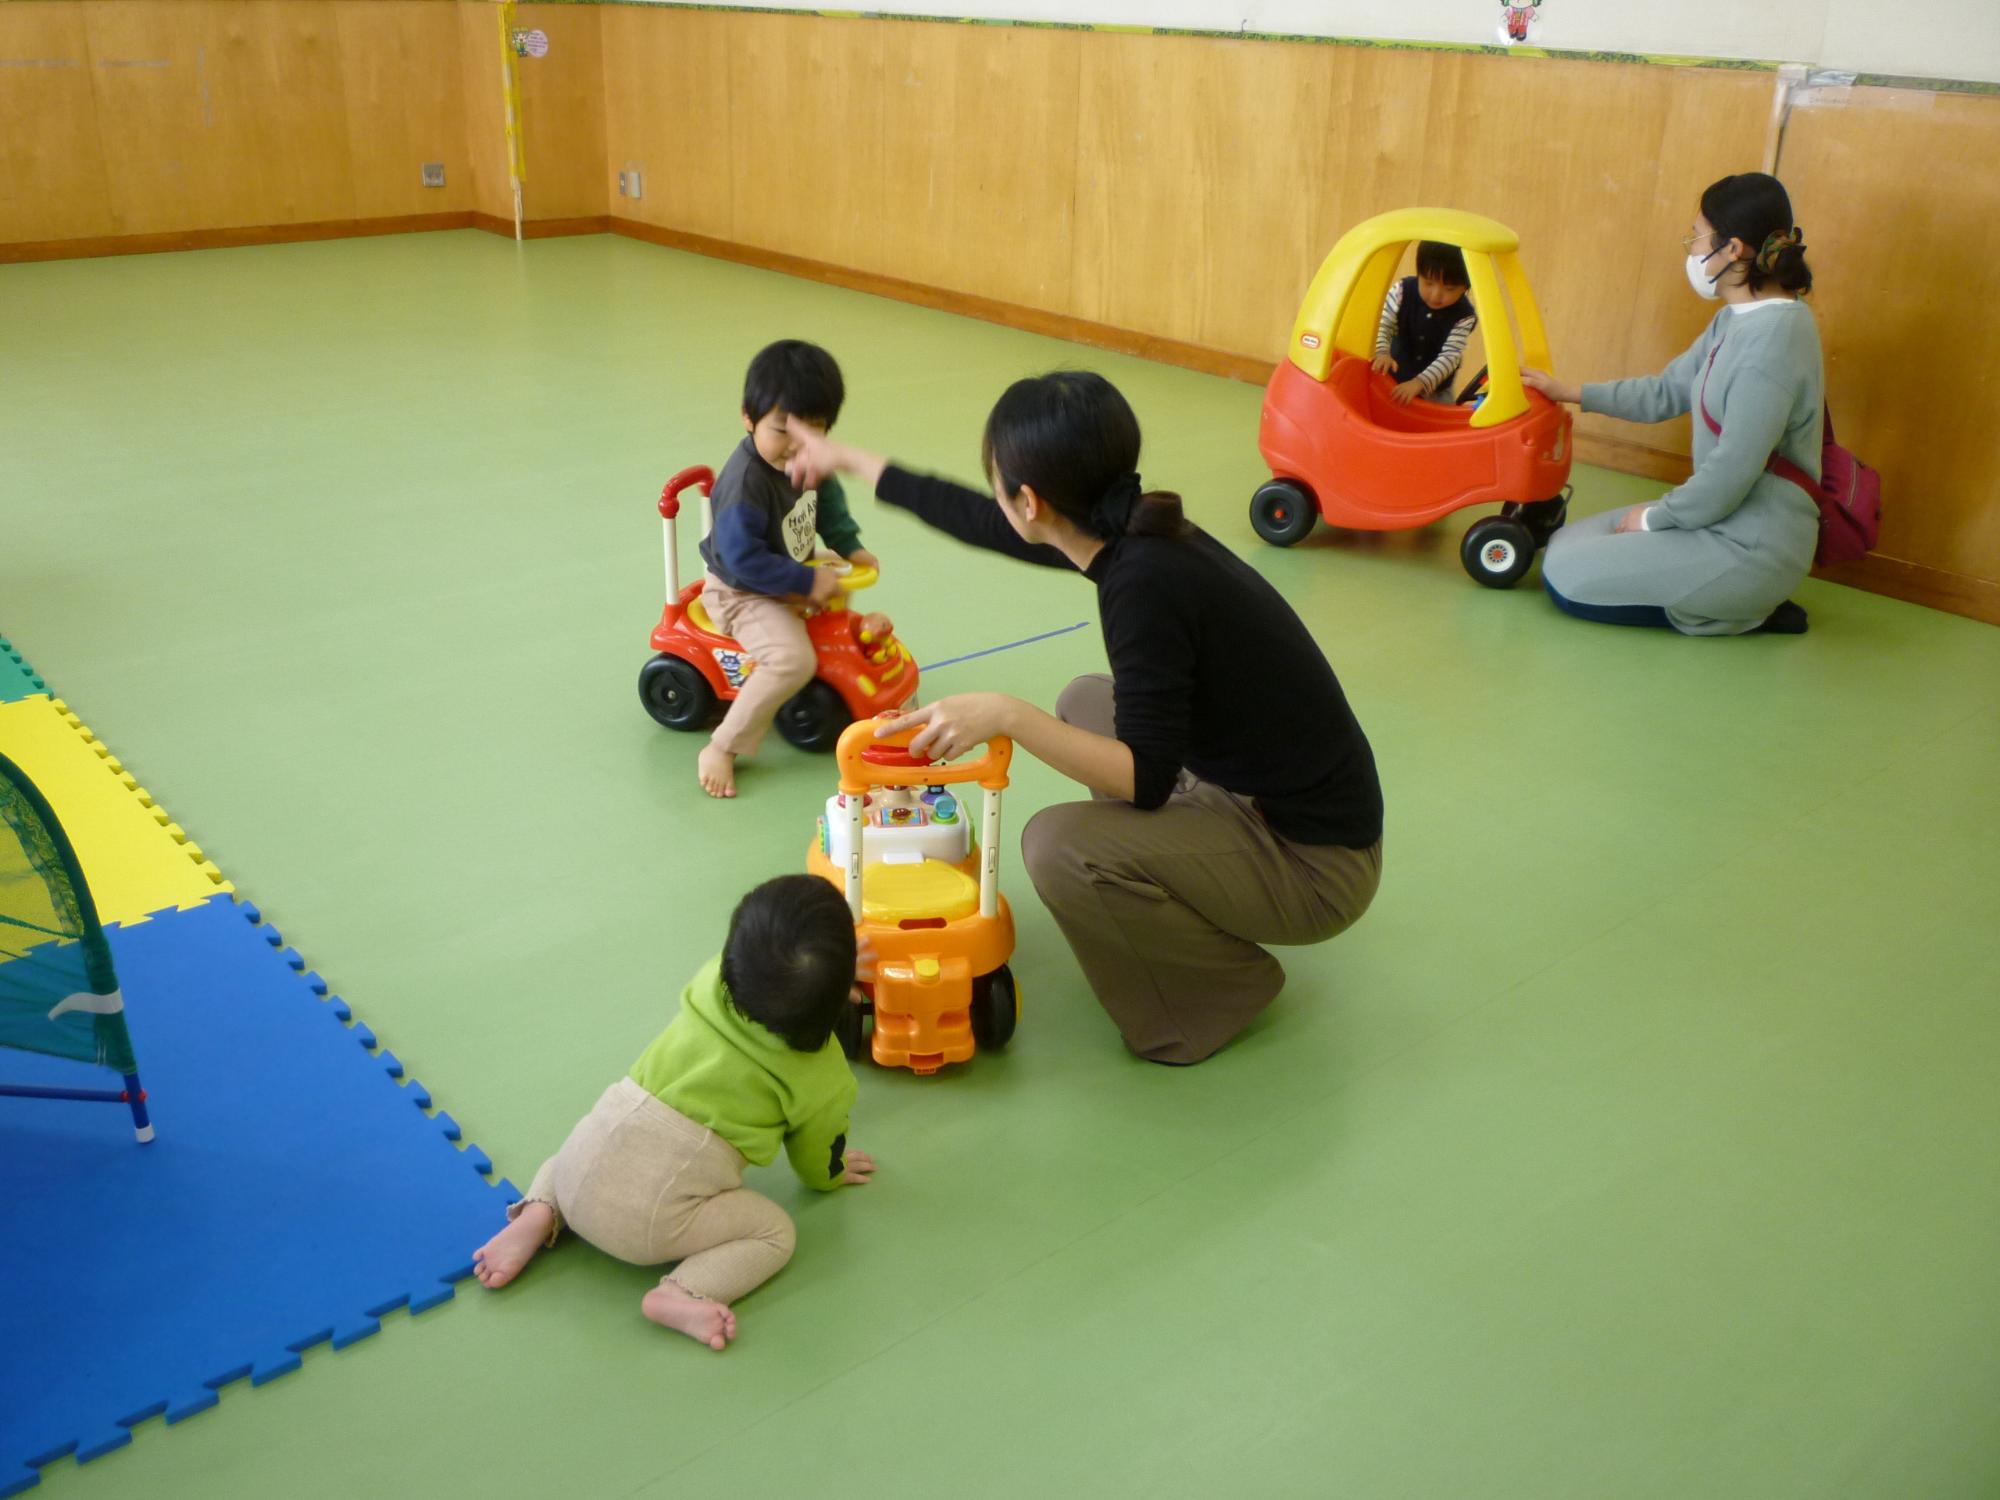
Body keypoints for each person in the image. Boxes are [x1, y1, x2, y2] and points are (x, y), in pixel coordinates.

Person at [785, 372, 1384, 1066]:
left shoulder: (1143, 586)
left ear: (1031, 501)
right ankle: (1165, 887)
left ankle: (1211, 998)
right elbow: (985, 520)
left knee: (1058, 845)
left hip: (1315, 865)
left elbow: (1150, 780)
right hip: (1265, 796)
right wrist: (857, 463)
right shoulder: (1137, 528)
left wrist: (1007, 713)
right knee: (1087, 703)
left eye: (1001, 482)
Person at [470, 876, 875, 1351]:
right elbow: (814, 1160)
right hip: (647, 1226)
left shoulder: (708, 982)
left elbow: (769, 971)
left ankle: (538, 1214)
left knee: (580, 1151)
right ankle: (681, 1293)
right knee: (775, 1232)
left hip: (579, 1166)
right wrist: (832, 1171)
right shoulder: (823, 1075)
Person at [1525, 172, 1822, 635]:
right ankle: (1721, 596)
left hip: (1752, 546)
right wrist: (1571, 392)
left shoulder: (1773, 343)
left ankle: (1743, 608)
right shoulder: (1735, 320)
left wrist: (1655, 517)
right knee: (1563, 545)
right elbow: (1666, 391)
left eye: (1698, 238)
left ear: (1734, 249)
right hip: (1717, 520)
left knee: (1565, 577)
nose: (1692, 250)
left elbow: (1731, 472)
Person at [696, 341, 887, 798]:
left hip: (786, 576)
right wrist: (804, 580)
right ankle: (722, 746)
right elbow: (742, 559)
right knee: (793, 659)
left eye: (812, 433)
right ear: (749, 417)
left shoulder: (806, 459)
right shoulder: (745, 485)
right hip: (742, 590)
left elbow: (828, 501)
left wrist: (848, 545)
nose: (796, 446)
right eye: (782, 430)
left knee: (839, 601)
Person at [1371, 241, 1478, 405]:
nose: (1436, 295)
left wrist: (1420, 382)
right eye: (1428, 283)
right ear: (1419, 273)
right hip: (1393, 378)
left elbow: (1450, 356)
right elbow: (1383, 325)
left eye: (1449, 289)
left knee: (1440, 426)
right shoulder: (1401, 291)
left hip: (1435, 391)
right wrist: (1382, 352)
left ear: (1465, 288)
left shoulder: (1464, 316)